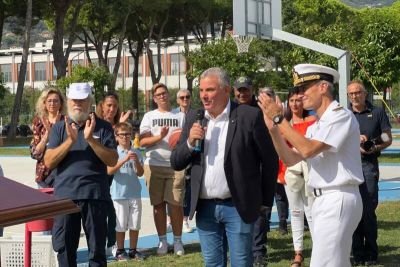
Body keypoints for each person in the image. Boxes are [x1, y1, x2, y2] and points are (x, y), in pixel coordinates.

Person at [258, 63, 364, 267]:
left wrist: (280, 118)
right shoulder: (318, 124)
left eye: (304, 88)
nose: (300, 95)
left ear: (323, 87)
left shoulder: (340, 115)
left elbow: (308, 150)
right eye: (297, 90)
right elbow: (290, 159)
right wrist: (273, 129)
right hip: (325, 200)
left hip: (337, 197)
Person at [171, 67, 278, 267]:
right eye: (201, 90)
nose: (204, 95)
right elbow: (176, 162)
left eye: (210, 90)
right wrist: (189, 143)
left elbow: (269, 160)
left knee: (241, 262)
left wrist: (265, 202)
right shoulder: (195, 117)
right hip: (205, 209)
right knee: (212, 263)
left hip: (238, 206)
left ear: (226, 90)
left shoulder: (248, 116)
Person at [44, 82, 118, 266]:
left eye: (82, 100)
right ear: (68, 102)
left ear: (90, 102)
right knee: (65, 252)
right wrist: (70, 141)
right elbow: (49, 161)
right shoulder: (60, 128)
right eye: (74, 100)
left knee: (97, 252)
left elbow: (112, 160)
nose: (78, 104)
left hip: (95, 196)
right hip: (65, 199)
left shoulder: (103, 127)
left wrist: (90, 139)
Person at [233, 78, 282, 266]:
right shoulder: (230, 110)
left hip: (261, 165)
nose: (241, 94)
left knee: (260, 211)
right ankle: (242, 250)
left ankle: (259, 251)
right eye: (239, 90)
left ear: (252, 90)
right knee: (238, 212)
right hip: (240, 168)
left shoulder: (262, 108)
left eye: (245, 90)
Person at [347, 80, 392, 266]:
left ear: (365, 93)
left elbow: (387, 137)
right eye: (351, 94)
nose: (354, 96)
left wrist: (374, 146)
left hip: (368, 165)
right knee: (353, 210)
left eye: (358, 92)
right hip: (349, 167)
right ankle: (357, 254)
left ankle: (371, 253)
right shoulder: (344, 114)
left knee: (368, 210)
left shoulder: (378, 112)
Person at [139, 83, 186, 256]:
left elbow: (187, 139)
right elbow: (142, 142)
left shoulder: (180, 115)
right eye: (158, 94)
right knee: (158, 206)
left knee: (176, 204)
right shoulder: (149, 116)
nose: (162, 96)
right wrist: (160, 136)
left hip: (176, 165)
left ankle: (178, 241)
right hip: (155, 165)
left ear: (169, 94)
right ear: (154, 98)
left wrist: (180, 142)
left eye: (164, 93)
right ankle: (162, 241)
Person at [282, 88, 316, 267]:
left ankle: (318, 250)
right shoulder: (284, 123)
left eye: (298, 100)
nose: (295, 104)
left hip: (311, 172)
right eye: (292, 100)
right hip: (291, 172)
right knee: (295, 212)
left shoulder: (313, 121)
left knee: (311, 212)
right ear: (288, 102)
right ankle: (298, 253)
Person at [95, 91, 132, 256]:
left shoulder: (118, 126)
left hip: (113, 176)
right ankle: (100, 245)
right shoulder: (94, 123)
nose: (112, 109)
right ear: (102, 106)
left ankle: (112, 245)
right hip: (98, 174)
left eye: (115, 106)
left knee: (113, 211)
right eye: (109, 105)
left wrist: (119, 130)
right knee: (103, 212)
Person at [107, 122, 146, 261]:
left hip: (135, 192)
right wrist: (124, 160)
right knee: (121, 224)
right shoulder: (113, 152)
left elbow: (141, 173)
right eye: (122, 135)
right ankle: (120, 250)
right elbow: (109, 170)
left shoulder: (136, 151)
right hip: (119, 194)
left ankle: (133, 250)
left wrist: (135, 162)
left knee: (135, 223)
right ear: (116, 137)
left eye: (128, 134)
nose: (125, 137)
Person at [30, 88, 66, 188]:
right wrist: (48, 134)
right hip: (43, 176)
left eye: (55, 100)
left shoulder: (67, 121)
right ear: (44, 103)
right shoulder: (38, 121)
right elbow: (35, 153)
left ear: (61, 103)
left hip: (62, 174)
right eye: (49, 100)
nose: (52, 103)